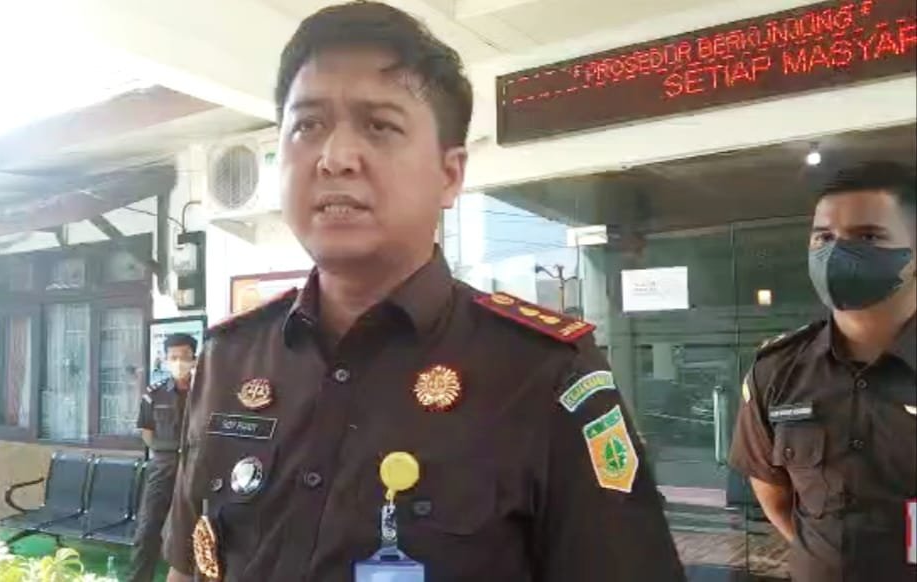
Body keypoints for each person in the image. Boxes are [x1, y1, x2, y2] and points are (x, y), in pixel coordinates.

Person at [163, 3, 684, 581]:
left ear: (449, 174)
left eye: (379, 126)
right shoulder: (231, 358)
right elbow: (190, 564)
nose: (335, 157)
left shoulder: (545, 372)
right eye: (307, 125)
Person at [729, 160, 917, 582]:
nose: (835, 253)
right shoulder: (777, 371)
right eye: (824, 237)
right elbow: (775, 496)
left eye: (868, 236)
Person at [131, 333, 197, 582]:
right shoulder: (154, 393)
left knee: (199, 528)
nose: (179, 362)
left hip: (196, 467)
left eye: (185, 357)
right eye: (174, 357)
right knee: (147, 528)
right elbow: (147, 432)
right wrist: (166, 453)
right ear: (166, 360)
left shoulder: (207, 392)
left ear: (195, 358)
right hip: (163, 466)